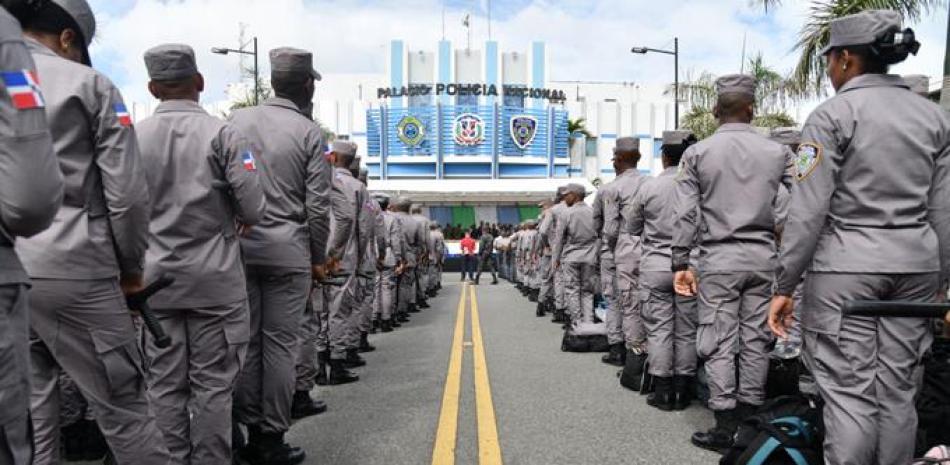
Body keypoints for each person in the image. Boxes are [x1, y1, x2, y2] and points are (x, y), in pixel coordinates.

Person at [768, 10, 949, 465]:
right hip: (917, 270)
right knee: (898, 393)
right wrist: (941, 283)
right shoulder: (935, 118)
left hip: (846, 271)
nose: (829, 70)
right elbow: (943, 212)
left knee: (850, 395)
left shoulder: (832, 115)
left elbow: (807, 211)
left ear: (846, 59)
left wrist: (785, 285)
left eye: (830, 60)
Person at [16, 1, 171, 463]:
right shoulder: (88, 84)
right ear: (68, 38)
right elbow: (127, 194)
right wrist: (130, 269)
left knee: (36, 408)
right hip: (73, 269)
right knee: (124, 406)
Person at [135, 43, 266, 465]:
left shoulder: (131, 137)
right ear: (200, 82)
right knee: (212, 386)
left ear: (153, 88)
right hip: (215, 282)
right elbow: (253, 207)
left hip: (155, 284)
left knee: (164, 385)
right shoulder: (225, 134)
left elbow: (119, 207)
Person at [672, 74, 794, 452]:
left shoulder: (697, 154)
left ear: (714, 111)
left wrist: (681, 260)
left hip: (719, 259)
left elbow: (685, 213)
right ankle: (753, 424)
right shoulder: (780, 152)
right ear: (752, 109)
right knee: (757, 340)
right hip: (764, 259)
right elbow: (797, 207)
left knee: (719, 341)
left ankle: (725, 428)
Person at [230, 46, 331, 465]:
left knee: (243, 344)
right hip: (288, 250)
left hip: (238, 250)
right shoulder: (308, 132)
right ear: (307, 85)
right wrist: (318, 257)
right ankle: (268, 437)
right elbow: (318, 206)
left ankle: (238, 428)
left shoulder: (235, 122)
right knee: (279, 347)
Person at [0, 2, 65, 463]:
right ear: (67, 38)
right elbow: (30, 199)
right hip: (74, 266)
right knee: (121, 393)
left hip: (34, 271)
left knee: (42, 398)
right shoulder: (8, 45)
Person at [626, 130, 699, 410]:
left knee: (659, 330)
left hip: (656, 265)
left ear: (664, 157)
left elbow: (632, 227)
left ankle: (663, 391)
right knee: (686, 330)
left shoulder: (648, 187)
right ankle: (684, 390)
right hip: (690, 265)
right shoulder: (699, 185)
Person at [314, 140, 369, 383]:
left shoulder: (315, 179)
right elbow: (364, 227)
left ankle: (317, 366)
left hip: (314, 256)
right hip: (343, 257)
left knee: (318, 313)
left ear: (333, 157)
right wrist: (359, 255)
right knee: (339, 311)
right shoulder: (358, 188)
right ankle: (337, 364)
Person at [601, 137, 649, 368]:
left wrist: (613, 250)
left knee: (628, 305)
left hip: (625, 250)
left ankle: (633, 361)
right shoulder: (651, 182)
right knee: (649, 304)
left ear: (618, 159)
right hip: (652, 249)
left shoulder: (613, 188)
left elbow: (610, 229)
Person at [553, 184, 599, 326]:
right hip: (590, 256)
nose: (564, 197)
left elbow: (559, 238)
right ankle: (589, 323)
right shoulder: (593, 212)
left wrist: (556, 259)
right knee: (588, 291)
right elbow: (600, 235)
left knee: (572, 290)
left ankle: (576, 323)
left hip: (571, 256)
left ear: (575, 195)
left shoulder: (566, 213)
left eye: (567, 194)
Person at [374, 194, 404, 333]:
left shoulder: (369, 216)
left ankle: (373, 319)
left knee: (373, 288)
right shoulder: (392, 219)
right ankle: (386, 320)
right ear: (387, 205)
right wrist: (398, 258)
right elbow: (396, 241)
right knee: (387, 288)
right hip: (387, 253)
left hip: (371, 253)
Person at [410, 206, 431, 309]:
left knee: (410, 278)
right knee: (421, 275)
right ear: (420, 211)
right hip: (419, 250)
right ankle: (421, 298)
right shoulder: (424, 220)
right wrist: (428, 251)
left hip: (407, 250)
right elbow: (426, 238)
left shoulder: (409, 219)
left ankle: (411, 301)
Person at [427, 222, 445, 296]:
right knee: (435, 273)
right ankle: (434, 287)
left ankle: (427, 288)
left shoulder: (426, 234)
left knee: (426, 274)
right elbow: (440, 248)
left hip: (425, 257)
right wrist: (440, 258)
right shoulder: (439, 234)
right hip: (435, 256)